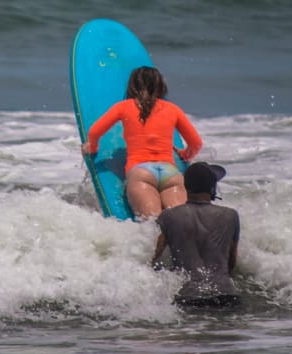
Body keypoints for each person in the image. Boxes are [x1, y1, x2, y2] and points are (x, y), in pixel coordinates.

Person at [82, 66, 203, 219]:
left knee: (153, 227)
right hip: (171, 173)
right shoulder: (173, 109)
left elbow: (94, 132)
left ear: (133, 86)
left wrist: (92, 147)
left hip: (141, 173)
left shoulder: (123, 107)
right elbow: (196, 143)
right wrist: (185, 155)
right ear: (160, 86)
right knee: (180, 224)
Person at [151, 161, 240, 308]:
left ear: (186, 187)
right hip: (226, 295)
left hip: (189, 297)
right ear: (212, 188)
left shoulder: (168, 216)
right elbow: (232, 261)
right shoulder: (231, 216)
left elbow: (156, 257)